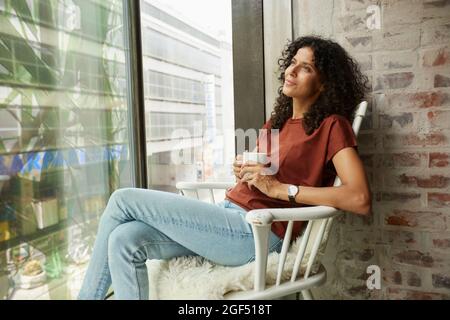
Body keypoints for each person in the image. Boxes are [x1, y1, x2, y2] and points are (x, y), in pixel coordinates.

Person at [78, 36, 372, 300]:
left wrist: (282, 190)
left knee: (122, 199)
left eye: (306, 68)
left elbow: (358, 198)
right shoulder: (276, 124)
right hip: (229, 217)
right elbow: (268, 174)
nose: (292, 71)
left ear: (324, 83)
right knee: (125, 240)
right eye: (293, 62)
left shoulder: (332, 126)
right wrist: (246, 171)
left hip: (258, 232)